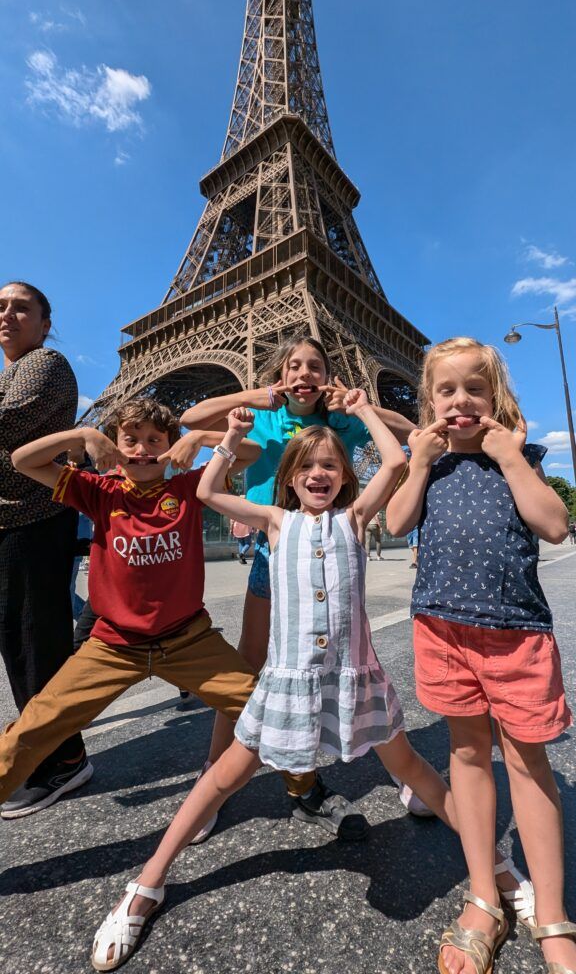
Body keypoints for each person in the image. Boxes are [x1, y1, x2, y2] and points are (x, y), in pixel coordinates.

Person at [91, 395, 535, 972]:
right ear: (289, 480)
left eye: (330, 465)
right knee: (223, 775)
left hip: (355, 681)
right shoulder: (276, 522)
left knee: (415, 771)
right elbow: (205, 493)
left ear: (346, 477)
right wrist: (227, 437)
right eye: (306, 468)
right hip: (288, 686)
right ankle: (146, 883)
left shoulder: (356, 517)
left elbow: (396, 463)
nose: (319, 474)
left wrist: (366, 409)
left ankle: (495, 868)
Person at [180, 334, 423, 833]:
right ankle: (215, 768)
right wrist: (251, 396)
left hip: (332, 553)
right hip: (276, 555)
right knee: (249, 663)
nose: (304, 374)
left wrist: (359, 404)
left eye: (315, 366)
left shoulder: (338, 421)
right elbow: (190, 417)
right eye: (294, 366)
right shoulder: (265, 418)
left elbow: (410, 433)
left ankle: (405, 768)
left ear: (327, 374)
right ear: (280, 373)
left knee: (358, 661)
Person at [386, 336, 575, 974]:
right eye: (447, 390)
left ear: (496, 398)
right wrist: (415, 462)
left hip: (516, 633)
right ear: (430, 401)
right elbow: (395, 524)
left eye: (475, 388)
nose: (461, 401)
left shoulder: (519, 456)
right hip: (443, 632)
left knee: (528, 766)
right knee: (466, 755)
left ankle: (550, 911)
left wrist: (514, 459)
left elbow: (554, 526)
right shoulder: (431, 465)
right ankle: (483, 895)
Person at [0, 399, 264, 822]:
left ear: (171, 447)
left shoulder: (190, 488)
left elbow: (252, 452)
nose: (143, 450)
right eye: (132, 440)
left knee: (268, 710)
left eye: (154, 440)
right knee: (34, 727)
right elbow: (21, 460)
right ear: (115, 445)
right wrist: (83, 436)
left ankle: (299, 787)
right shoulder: (99, 491)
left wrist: (197, 436)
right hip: (113, 645)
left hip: (186, 639)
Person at [0, 280, 90, 819]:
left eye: (20, 307)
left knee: (36, 639)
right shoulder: (12, 374)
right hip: (16, 523)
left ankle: (63, 756)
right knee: (20, 637)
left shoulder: (45, 365)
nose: (7, 315)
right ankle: (48, 744)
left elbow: (7, 423)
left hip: (35, 520)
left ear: (45, 322)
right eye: (0, 308)